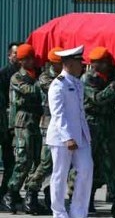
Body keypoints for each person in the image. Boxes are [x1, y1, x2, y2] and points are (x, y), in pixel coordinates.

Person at [47, 45, 93, 218]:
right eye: (79, 62)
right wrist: (67, 138)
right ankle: (59, 213)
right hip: (61, 138)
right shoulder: (58, 85)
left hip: (81, 136)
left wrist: (84, 136)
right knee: (60, 174)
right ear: (69, 63)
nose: (82, 65)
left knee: (86, 169)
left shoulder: (77, 83)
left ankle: (78, 211)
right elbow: (58, 114)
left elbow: (80, 113)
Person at [2, 44, 44, 214]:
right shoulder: (17, 77)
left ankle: (31, 196)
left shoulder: (38, 74)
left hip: (36, 121)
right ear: (20, 61)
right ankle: (10, 194)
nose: (30, 61)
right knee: (23, 160)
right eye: (26, 59)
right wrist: (43, 85)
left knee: (37, 161)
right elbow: (30, 91)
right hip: (23, 122)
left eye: (32, 58)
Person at [81, 46, 115, 212]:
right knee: (90, 164)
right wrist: (113, 87)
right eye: (96, 63)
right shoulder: (88, 78)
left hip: (108, 124)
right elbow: (97, 98)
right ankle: (87, 198)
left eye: (102, 63)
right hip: (92, 124)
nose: (98, 66)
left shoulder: (111, 75)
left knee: (110, 164)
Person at [25, 47, 63, 214]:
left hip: (63, 123)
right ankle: (31, 193)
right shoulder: (45, 78)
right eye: (61, 62)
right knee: (46, 162)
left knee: (60, 163)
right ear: (54, 63)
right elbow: (60, 89)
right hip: (49, 123)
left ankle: (50, 194)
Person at [0, 42, 20, 200]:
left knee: (15, 160)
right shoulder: (4, 74)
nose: (18, 56)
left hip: (18, 123)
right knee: (9, 159)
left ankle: (10, 191)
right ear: (9, 56)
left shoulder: (26, 73)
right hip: (6, 123)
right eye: (15, 53)